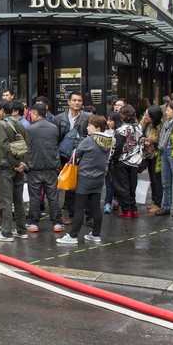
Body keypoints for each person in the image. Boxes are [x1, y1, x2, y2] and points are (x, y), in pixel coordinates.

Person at [57, 115, 112, 245]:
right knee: (95, 207)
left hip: (85, 178)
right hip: (99, 178)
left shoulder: (89, 140)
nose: (87, 127)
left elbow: (76, 154)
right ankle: (96, 234)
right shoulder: (109, 140)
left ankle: (73, 236)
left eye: (90, 125)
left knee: (79, 208)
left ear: (97, 127)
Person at [0, 100, 28, 242]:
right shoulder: (20, 123)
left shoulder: (1, 124)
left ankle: (6, 232)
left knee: (5, 200)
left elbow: (4, 145)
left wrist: (15, 163)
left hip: (5, 166)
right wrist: (22, 163)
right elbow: (26, 144)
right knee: (18, 200)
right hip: (19, 166)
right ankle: (21, 230)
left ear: (2, 111)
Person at [24, 104, 64, 232]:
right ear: (46, 114)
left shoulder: (29, 129)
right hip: (51, 167)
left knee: (35, 197)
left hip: (34, 167)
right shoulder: (54, 128)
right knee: (52, 197)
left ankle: (33, 223)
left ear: (35, 114)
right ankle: (57, 223)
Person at [55, 91, 91, 224]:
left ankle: (89, 216)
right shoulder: (60, 118)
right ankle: (72, 215)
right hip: (66, 156)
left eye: (79, 101)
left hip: (83, 155)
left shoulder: (88, 117)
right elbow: (56, 139)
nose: (77, 103)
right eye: (74, 100)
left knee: (85, 186)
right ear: (69, 102)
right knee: (70, 186)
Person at [110, 105, 144, 218]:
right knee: (132, 185)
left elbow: (118, 146)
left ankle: (126, 210)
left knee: (122, 186)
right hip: (135, 160)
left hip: (122, 161)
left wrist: (113, 158)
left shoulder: (121, 130)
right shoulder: (138, 127)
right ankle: (133, 208)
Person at [140, 105, 164, 214]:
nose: (146, 116)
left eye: (148, 115)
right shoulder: (145, 124)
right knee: (151, 178)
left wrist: (151, 141)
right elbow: (139, 133)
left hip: (156, 155)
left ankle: (158, 203)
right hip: (148, 155)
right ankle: (154, 200)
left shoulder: (160, 126)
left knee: (156, 179)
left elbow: (159, 141)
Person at [103, 111, 121, 214]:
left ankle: (115, 201)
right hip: (108, 161)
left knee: (116, 183)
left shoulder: (119, 132)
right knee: (109, 183)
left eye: (111, 120)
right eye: (108, 120)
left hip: (116, 161)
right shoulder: (106, 132)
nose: (108, 122)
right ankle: (108, 203)